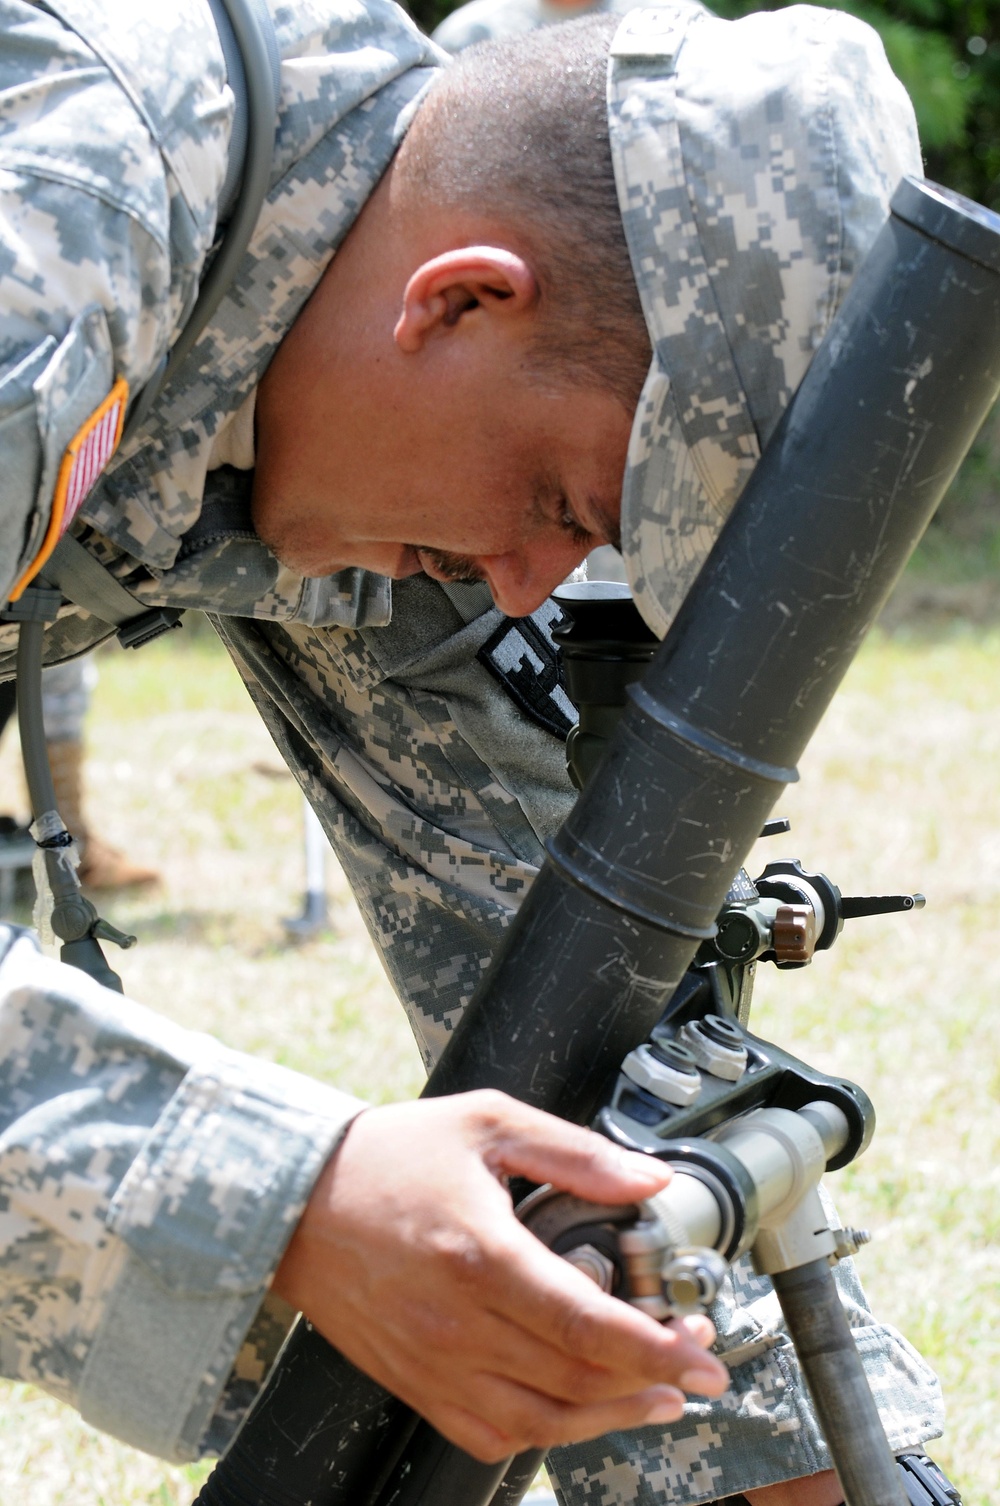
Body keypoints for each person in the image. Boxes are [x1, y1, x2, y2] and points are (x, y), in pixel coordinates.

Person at [0, 2, 943, 1503]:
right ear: (458, 304)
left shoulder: (361, 347)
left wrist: (792, 1457)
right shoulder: (49, 225)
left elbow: (568, 1018)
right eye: (563, 506)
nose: (518, 580)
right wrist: (298, 1197)